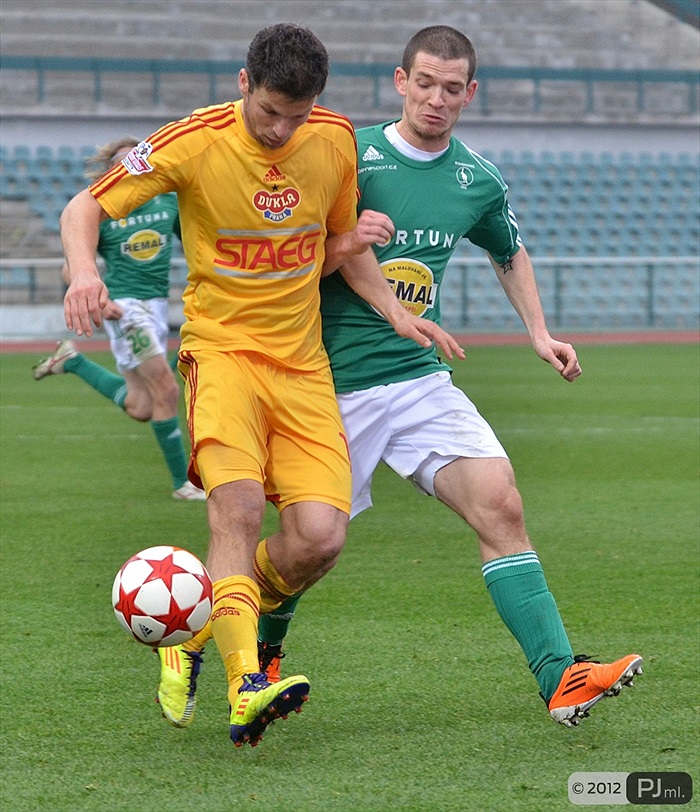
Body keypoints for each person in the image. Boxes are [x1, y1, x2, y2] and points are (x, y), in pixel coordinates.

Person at [58, 24, 463, 748]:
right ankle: (247, 683)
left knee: (318, 541)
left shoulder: (334, 140)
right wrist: (85, 272)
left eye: (297, 116)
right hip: (221, 355)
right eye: (271, 111)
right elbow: (83, 208)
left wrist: (396, 311)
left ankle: (199, 627)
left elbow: (335, 247)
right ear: (245, 85)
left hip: (303, 366)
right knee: (238, 510)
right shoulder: (193, 141)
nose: (282, 130)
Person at [257, 25, 643, 728]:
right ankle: (254, 642)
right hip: (328, 383)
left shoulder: (477, 179)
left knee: (501, 505)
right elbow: (289, 252)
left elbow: (509, 249)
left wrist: (538, 332)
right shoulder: (349, 155)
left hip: (416, 377)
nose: (437, 100)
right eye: (424, 84)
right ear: (401, 83)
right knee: (310, 547)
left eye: (451, 88)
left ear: (471, 93)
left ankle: (560, 676)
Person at [33, 137, 205, 501]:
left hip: (157, 307)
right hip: (125, 309)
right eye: (120, 164)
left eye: (135, 162)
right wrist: (98, 293)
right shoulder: (104, 212)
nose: (129, 170)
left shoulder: (168, 203)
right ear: (112, 171)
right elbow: (71, 267)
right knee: (167, 389)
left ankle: (73, 361)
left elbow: (196, 245)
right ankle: (183, 484)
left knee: (142, 406)